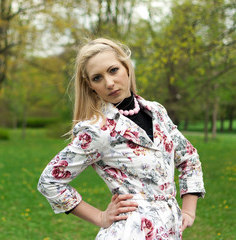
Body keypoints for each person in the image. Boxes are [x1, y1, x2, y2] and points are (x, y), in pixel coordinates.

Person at [37, 38, 205, 239]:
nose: (109, 83)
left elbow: (188, 157)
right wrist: (99, 217)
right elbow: (50, 181)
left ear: (127, 67)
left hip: (169, 230)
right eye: (97, 78)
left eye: (113, 70)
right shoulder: (98, 130)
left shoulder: (156, 112)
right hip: (129, 232)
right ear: (90, 86)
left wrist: (188, 209)